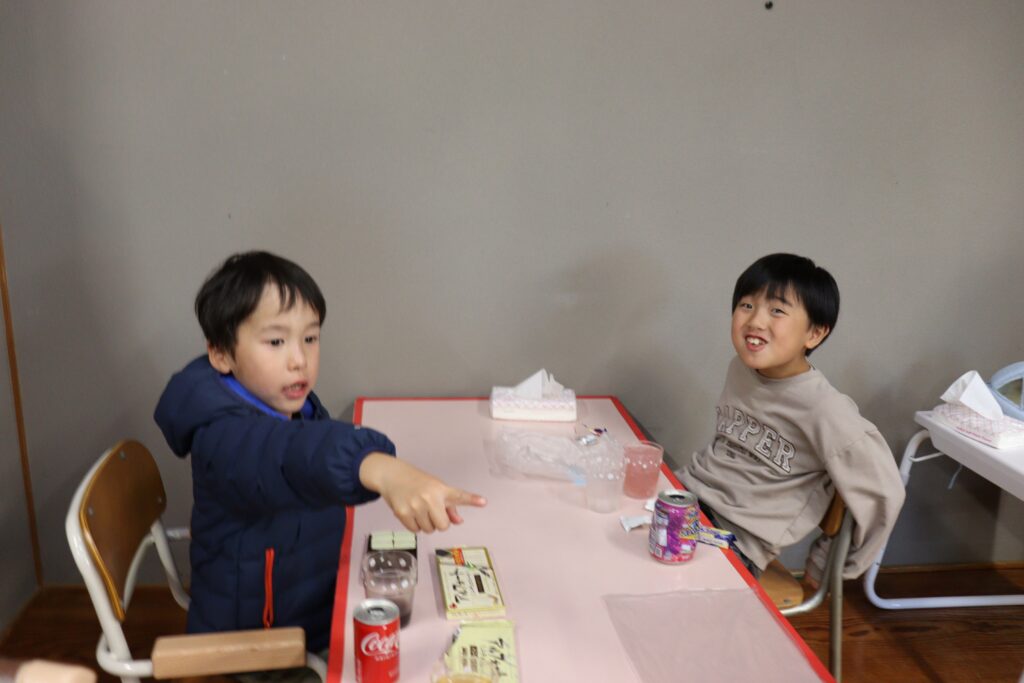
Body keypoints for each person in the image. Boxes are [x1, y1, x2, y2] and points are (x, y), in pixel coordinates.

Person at [154, 251, 486, 663]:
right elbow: (288, 455)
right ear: (221, 353)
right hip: (262, 643)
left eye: (310, 338)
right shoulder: (223, 439)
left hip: (312, 600)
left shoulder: (284, 403)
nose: (299, 360)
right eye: (276, 342)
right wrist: (383, 470)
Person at [677, 253, 905, 583]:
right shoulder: (740, 369)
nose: (755, 320)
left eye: (777, 311)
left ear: (814, 334)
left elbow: (884, 492)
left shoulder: (825, 408)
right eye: (746, 305)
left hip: (736, 542)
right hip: (686, 500)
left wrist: (830, 563)